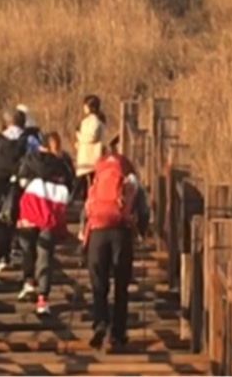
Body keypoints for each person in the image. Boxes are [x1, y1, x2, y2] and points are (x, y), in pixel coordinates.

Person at [81, 135, 149, 353]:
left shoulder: (97, 177)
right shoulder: (129, 177)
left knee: (99, 284)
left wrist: (83, 238)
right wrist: (142, 230)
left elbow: (87, 209)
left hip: (98, 232)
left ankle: (100, 323)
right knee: (121, 285)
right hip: (121, 231)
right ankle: (117, 335)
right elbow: (144, 210)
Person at [14, 131, 75, 316]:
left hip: (28, 212)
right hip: (50, 216)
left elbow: (20, 181)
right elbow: (70, 188)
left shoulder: (29, 159)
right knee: (45, 256)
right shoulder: (61, 164)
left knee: (27, 249)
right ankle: (43, 299)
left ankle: (28, 281)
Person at [0, 109, 35, 274]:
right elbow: (36, 161)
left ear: (6, 122)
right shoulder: (29, 139)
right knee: (19, 217)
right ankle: (18, 250)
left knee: (0, 221)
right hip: (20, 184)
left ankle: (3, 256)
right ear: (22, 122)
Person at [73, 94, 107, 203]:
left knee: (84, 185)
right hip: (88, 157)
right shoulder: (91, 120)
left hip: (89, 159)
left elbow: (91, 137)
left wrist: (79, 136)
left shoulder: (93, 121)